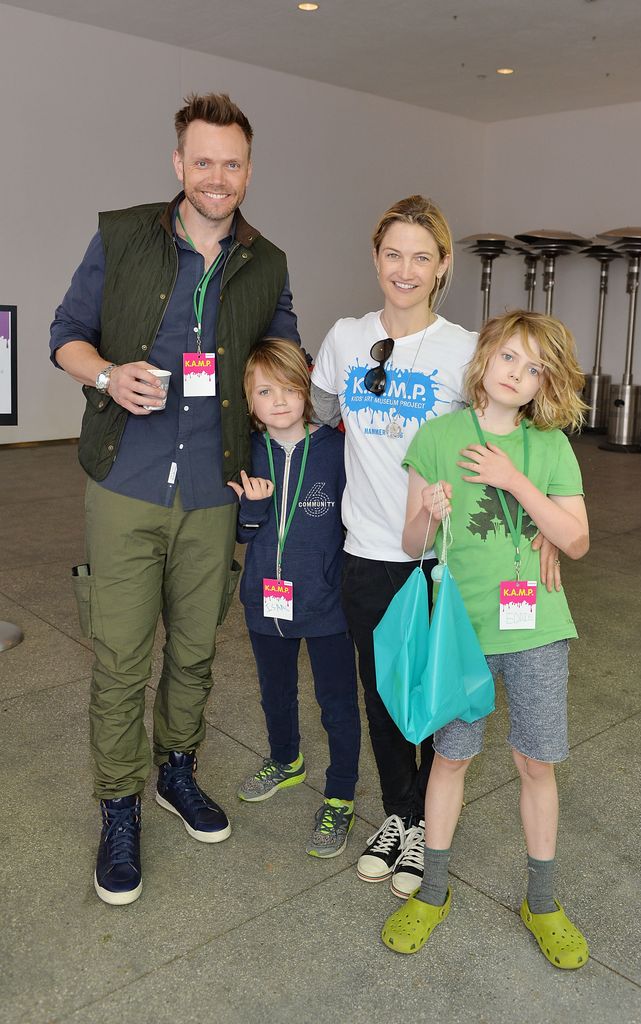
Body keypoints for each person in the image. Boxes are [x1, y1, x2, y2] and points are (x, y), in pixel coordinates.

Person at [49, 92, 299, 906]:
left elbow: (282, 364)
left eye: (232, 164)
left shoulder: (267, 262)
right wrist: (106, 375)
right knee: (121, 658)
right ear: (178, 164)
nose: (217, 177)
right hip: (125, 481)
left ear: (248, 171)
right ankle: (118, 804)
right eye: (203, 161)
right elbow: (64, 333)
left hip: (212, 489)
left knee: (194, 651)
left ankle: (176, 771)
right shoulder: (122, 235)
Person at [382, 310, 590, 970]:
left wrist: (514, 481)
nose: (517, 374)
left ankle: (542, 901)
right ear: (486, 355)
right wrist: (428, 512)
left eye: (535, 369)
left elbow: (575, 540)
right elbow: (410, 543)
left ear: (544, 384)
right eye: (509, 357)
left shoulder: (549, 446)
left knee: (536, 763)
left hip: (537, 631)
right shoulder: (438, 437)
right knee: (451, 759)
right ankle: (433, 891)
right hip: (461, 635)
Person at [310, 195, 477, 898]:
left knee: (433, 699)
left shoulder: (464, 350)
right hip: (367, 553)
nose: (404, 270)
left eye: (420, 257)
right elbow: (321, 410)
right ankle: (399, 816)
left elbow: (496, 440)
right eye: (392, 254)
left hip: (438, 560)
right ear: (375, 259)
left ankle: (423, 820)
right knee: (381, 698)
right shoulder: (345, 338)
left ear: (442, 265)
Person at [228, 338, 361, 858]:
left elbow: (358, 520)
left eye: (289, 388)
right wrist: (254, 510)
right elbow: (240, 532)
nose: (279, 401)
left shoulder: (336, 449)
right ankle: (286, 760)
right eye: (265, 391)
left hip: (326, 603)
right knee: (274, 691)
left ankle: (341, 794)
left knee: (337, 703)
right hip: (265, 599)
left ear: (308, 391)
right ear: (249, 400)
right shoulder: (246, 451)